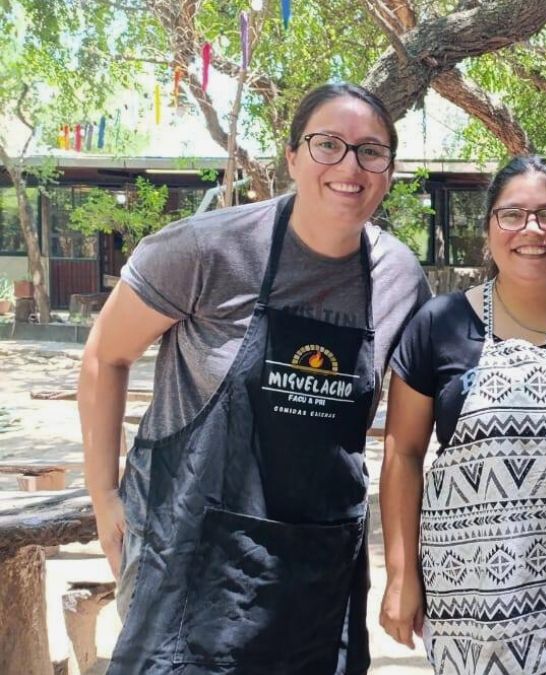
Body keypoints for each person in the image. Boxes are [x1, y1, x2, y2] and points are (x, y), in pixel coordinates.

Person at [78, 83, 431, 673]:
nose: (350, 165)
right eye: (328, 145)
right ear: (291, 156)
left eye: (371, 151)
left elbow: (424, 407)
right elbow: (103, 356)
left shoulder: (399, 276)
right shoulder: (206, 249)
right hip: (188, 547)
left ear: (388, 171)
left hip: (317, 562)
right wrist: (105, 495)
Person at [378, 155, 546, 673]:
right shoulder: (441, 323)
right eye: (512, 215)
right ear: (490, 227)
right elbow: (403, 452)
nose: (531, 230)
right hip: (476, 597)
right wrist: (401, 576)